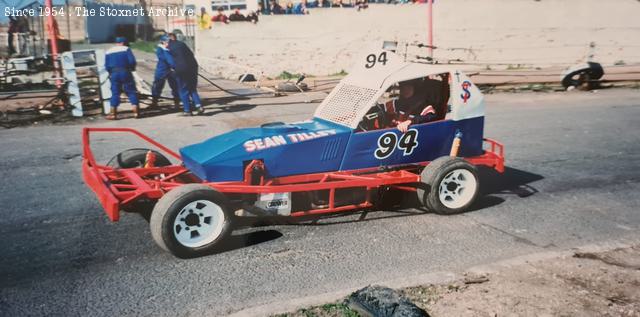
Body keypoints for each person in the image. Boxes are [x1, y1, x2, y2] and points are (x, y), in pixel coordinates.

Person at [165, 34, 204, 116]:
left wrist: (173, 69)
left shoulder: (168, 48)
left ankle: (187, 110)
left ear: (167, 40)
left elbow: (171, 62)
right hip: (193, 67)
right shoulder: (182, 44)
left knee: (183, 90)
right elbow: (191, 55)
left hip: (181, 69)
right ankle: (199, 105)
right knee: (192, 88)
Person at [105, 37, 140, 120]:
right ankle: (135, 111)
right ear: (124, 43)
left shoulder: (108, 51)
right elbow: (132, 61)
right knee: (131, 90)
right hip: (125, 72)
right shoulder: (126, 49)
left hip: (114, 73)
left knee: (115, 93)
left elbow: (106, 66)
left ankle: (113, 113)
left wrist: (110, 73)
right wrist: (132, 69)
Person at [150, 35, 180, 109]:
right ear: (163, 42)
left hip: (172, 70)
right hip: (162, 69)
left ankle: (177, 102)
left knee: (175, 86)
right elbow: (164, 58)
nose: (170, 43)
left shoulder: (172, 48)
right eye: (169, 41)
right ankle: (155, 102)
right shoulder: (160, 49)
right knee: (157, 86)